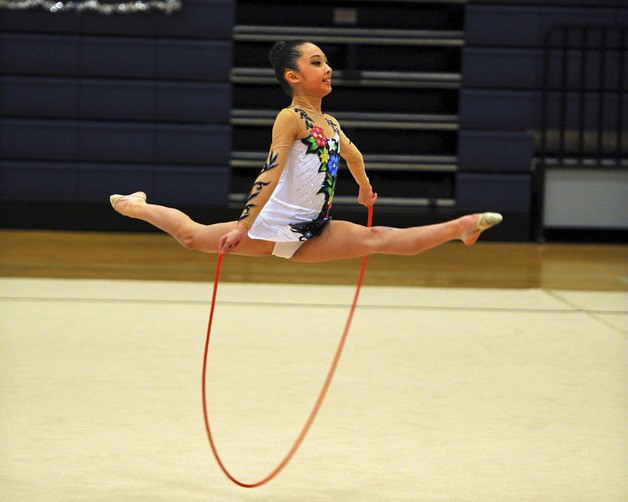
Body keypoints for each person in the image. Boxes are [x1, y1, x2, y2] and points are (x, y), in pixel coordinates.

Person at [110, 40, 502, 263]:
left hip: (313, 229)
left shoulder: (329, 123)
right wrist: (243, 226)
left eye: (327, 61)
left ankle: (459, 227)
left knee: (382, 237)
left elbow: (355, 156)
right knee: (192, 237)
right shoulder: (290, 117)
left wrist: (364, 188)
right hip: (270, 224)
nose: (328, 67)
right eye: (317, 62)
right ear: (294, 77)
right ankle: (135, 205)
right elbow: (271, 172)